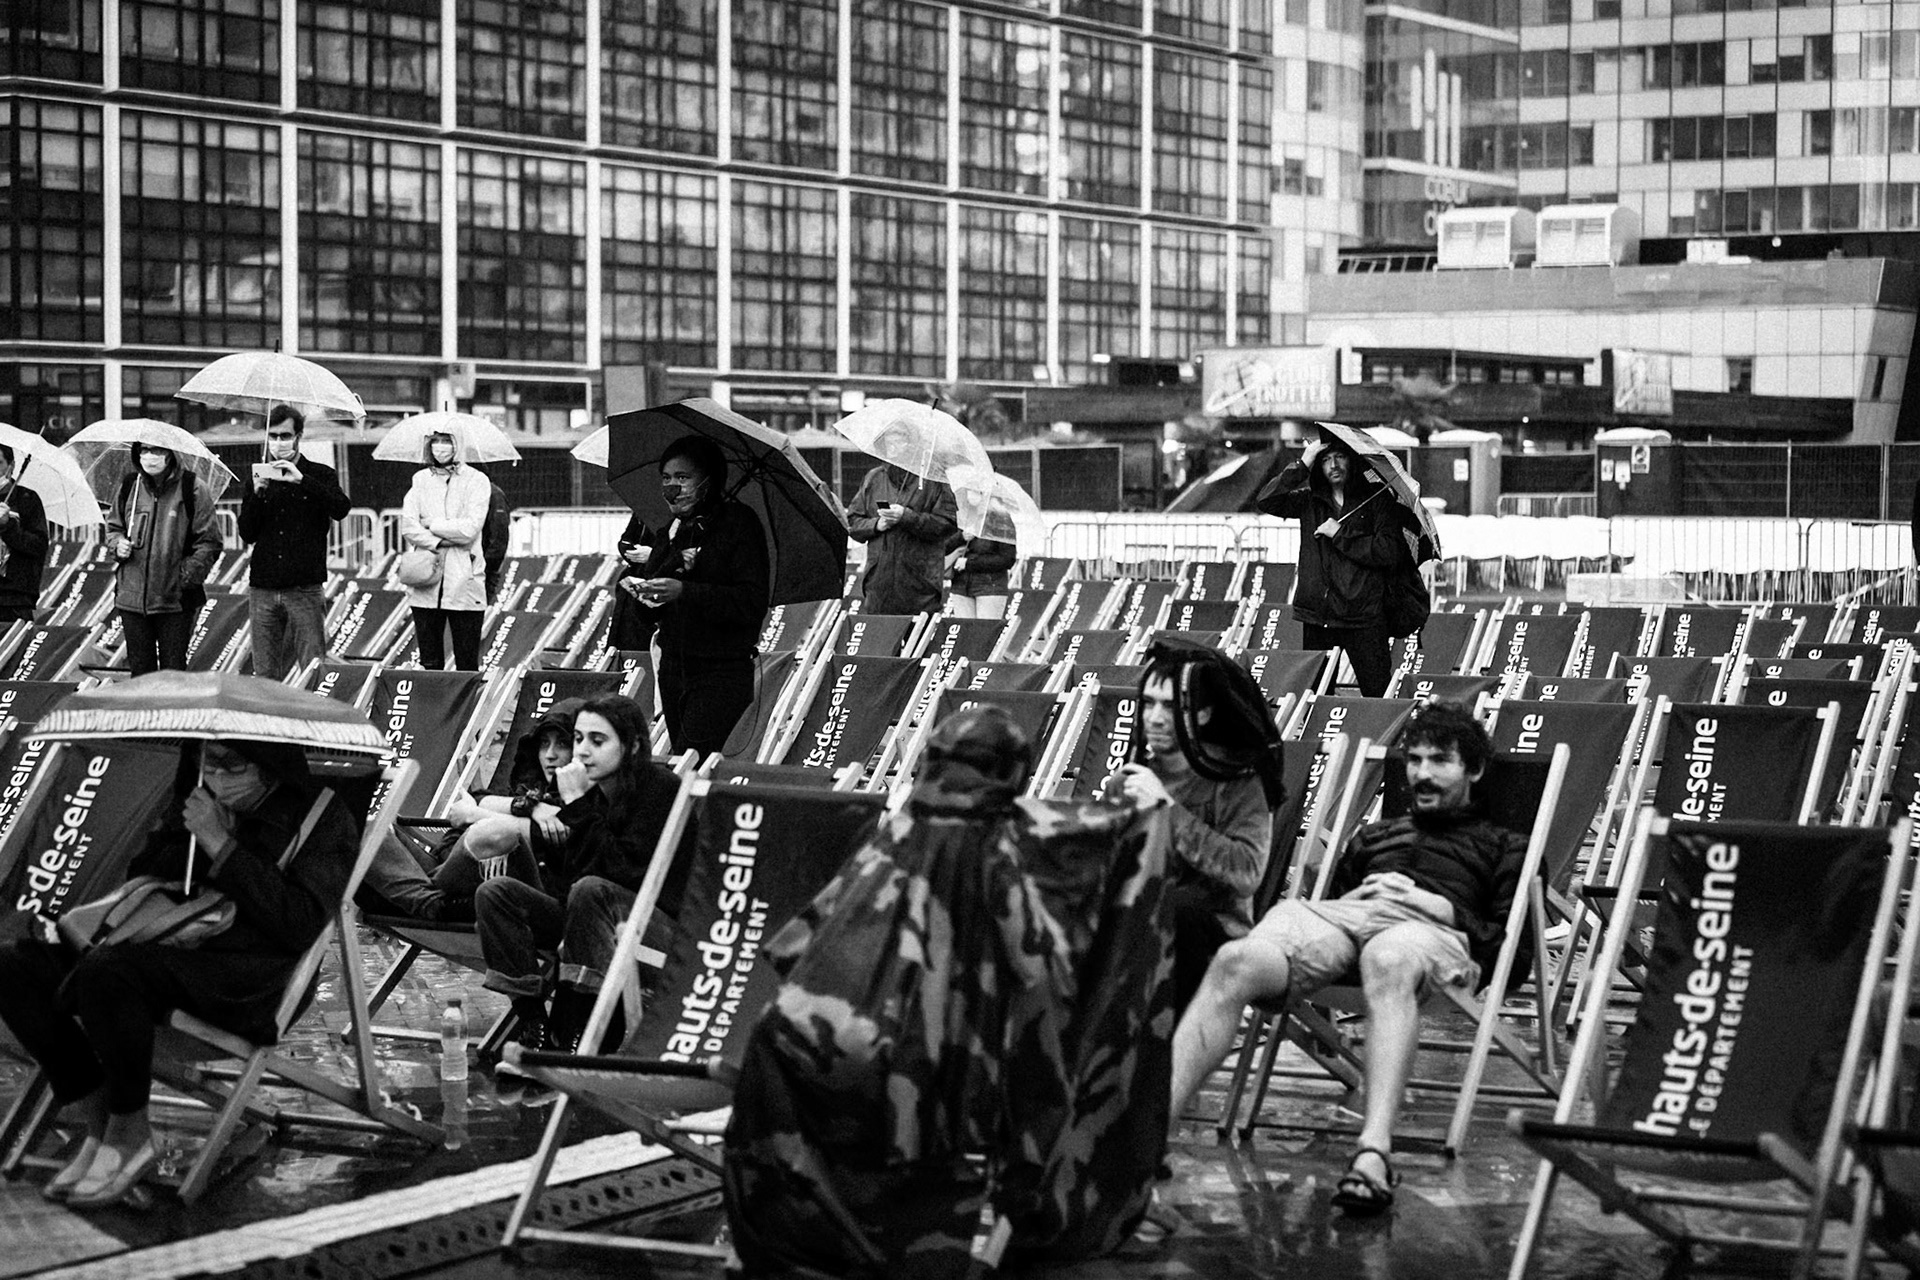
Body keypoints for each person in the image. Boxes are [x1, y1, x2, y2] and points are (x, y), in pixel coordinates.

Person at [1166, 700, 1526, 1216]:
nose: (1421, 774)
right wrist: (1343, 912)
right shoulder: (1375, 836)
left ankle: (1374, 1155)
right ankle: (1151, 1140)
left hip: (1431, 933)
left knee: (1389, 956)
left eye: (1439, 761)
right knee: (1234, 960)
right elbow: (1329, 932)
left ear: (1474, 768)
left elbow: (1511, 955)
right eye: (1414, 760)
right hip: (1347, 921)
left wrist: (1438, 906)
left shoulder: (1503, 845)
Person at [0, 739, 361, 1207]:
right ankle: (98, 1121)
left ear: (269, 764)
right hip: (164, 945)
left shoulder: (322, 818)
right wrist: (191, 839)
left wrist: (223, 845)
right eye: (207, 761)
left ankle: (130, 1131)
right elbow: (145, 876)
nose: (217, 773)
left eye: (232, 763)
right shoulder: (195, 796)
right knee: (14, 964)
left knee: (109, 972)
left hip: (246, 977)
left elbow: (297, 924)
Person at [474, 692, 682, 1072]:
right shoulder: (595, 792)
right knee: (496, 894)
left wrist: (577, 806)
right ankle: (533, 1022)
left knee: (590, 892)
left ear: (632, 745)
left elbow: (623, 872)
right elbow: (569, 878)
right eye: (580, 739)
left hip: (658, 933)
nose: (583, 752)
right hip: (594, 919)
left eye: (597, 741)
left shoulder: (660, 788)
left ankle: (574, 1039)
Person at [1106, 639, 1284, 1015]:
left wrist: (1167, 809)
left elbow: (1246, 874)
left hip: (1211, 932)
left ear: (1202, 714)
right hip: (1139, 926)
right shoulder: (1132, 781)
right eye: (1148, 703)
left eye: (1170, 706)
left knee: (1173, 912)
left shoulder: (1237, 780)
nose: (1153, 717)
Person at [358, 698, 581, 923]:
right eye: (544, 743)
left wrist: (474, 814)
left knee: (490, 833)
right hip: (447, 882)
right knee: (364, 827)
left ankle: (417, 899)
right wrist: (530, 807)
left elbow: (519, 831)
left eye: (562, 744)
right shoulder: (534, 786)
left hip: (495, 891)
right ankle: (427, 902)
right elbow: (481, 798)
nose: (550, 754)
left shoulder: (583, 799)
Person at [617, 435, 770, 757]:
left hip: (721, 671)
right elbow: (648, 612)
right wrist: (645, 595)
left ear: (709, 480)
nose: (673, 487)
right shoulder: (670, 530)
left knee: (692, 764)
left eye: (683, 478)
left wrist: (686, 591)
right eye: (667, 478)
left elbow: (750, 602)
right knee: (681, 759)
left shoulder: (739, 525)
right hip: (674, 667)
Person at [1255, 438, 1405, 697]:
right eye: (1325, 459)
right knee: (1316, 698)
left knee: (1378, 694)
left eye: (1340, 457)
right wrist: (1303, 462)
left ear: (1352, 460)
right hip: (1318, 617)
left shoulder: (1377, 500)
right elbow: (1267, 500)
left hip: (1364, 616)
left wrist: (1340, 534)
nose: (1333, 465)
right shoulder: (1309, 501)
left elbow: (1388, 552)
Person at [235, 407, 353, 680]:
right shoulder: (259, 475)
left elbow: (340, 508)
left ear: (298, 436)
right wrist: (257, 495)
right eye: (273, 436)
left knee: (312, 666)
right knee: (264, 669)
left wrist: (302, 481)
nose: (279, 442)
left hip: (304, 585)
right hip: (264, 585)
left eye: (285, 435)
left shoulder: (319, 474)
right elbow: (247, 532)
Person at [106, 444, 222, 675]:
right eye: (144, 450)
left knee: (173, 673)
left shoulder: (193, 488)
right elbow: (113, 529)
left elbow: (209, 542)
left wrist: (185, 576)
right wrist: (117, 545)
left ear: (169, 453)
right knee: (140, 673)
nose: (150, 456)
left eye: (156, 450)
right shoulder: (131, 486)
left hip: (175, 601)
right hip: (132, 599)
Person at [399, 430, 489, 670]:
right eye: (435, 441)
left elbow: (470, 529)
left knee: (467, 660)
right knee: (429, 660)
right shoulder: (420, 479)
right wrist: (439, 541)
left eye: (447, 441)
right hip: (425, 578)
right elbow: (408, 526)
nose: (440, 447)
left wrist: (432, 524)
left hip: (464, 579)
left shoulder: (476, 480)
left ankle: (467, 706)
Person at [847, 464, 957, 615]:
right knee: (880, 637)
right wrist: (876, 525)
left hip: (921, 587)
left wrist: (907, 517)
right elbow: (852, 522)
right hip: (879, 585)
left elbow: (948, 525)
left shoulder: (935, 479)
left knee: (917, 636)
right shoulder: (874, 477)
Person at [0, 443, 51, 626]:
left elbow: (38, 546)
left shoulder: (27, 499)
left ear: (11, 466)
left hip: (15, 597)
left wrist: (8, 526)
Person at [944, 534, 1016, 620]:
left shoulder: (1001, 525)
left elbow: (1007, 559)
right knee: (964, 630)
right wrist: (961, 537)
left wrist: (969, 563)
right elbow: (943, 547)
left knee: (985, 630)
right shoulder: (964, 522)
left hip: (990, 586)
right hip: (961, 585)